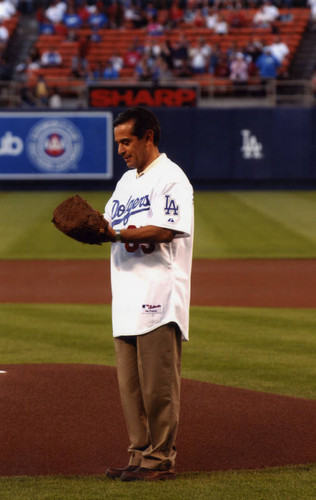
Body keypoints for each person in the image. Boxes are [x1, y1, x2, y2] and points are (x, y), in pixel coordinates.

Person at [103, 106, 194, 482]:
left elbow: (165, 230)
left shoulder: (171, 178)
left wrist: (116, 235)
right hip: (124, 295)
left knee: (159, 387)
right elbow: (108, 223)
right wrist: (94, 229)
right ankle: (140, 454)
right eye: (118, 143)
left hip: (158, 295)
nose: (121, 149)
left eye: (127, 141)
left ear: (148, 138)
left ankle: (161, 459)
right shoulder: (125, 182)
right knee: (131, 388)